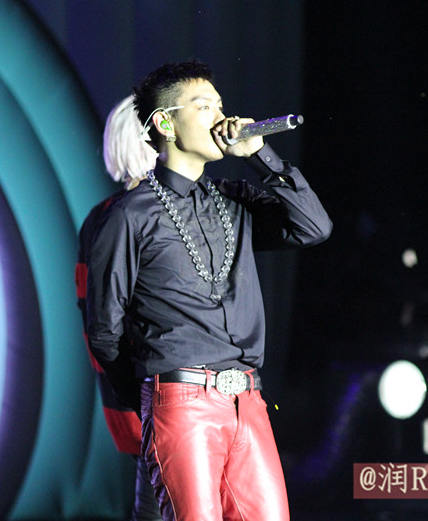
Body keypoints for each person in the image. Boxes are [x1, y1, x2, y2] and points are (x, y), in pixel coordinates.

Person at [86, 61, 332, 520]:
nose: (222, 117)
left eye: (220, 105)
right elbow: (104, 330)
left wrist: (261, 155)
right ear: (166, 124)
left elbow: (313, 227)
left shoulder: (235, 200)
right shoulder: (128, 216)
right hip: (181, 402)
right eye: (204, 107)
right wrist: (151, 398)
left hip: (248, 399)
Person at [75, 95, 161, 521]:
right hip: (157, 398)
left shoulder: (103, 217)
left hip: (145, 398)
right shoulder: (129, 217)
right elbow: (103, 323)